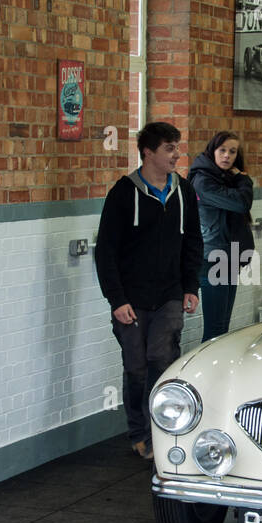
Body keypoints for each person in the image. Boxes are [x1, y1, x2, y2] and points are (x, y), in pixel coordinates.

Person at [95, 121, 202, 461]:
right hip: (131, 298)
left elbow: (193, 242)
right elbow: (106, 250)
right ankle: (139, 431)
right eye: (169, 148)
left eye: (177, 147)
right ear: (148, 152)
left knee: (162, 359)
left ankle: (163, 430)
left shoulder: (183, 192)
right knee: (137, 366)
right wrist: (117, 299)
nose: (177, 154)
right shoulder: (124, 193)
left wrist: (190, 286)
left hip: (170, 294)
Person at [188, 130, 254, 342]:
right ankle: (206, 373)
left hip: (227, 258)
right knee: (215, 331)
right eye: (222, 150)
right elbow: (241, 203)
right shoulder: (203, 181)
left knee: (222, 328)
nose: (227, 156)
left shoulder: (224, 178)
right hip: (212, 258)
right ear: (212, 151)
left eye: (232, 151)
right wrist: (243, 180)